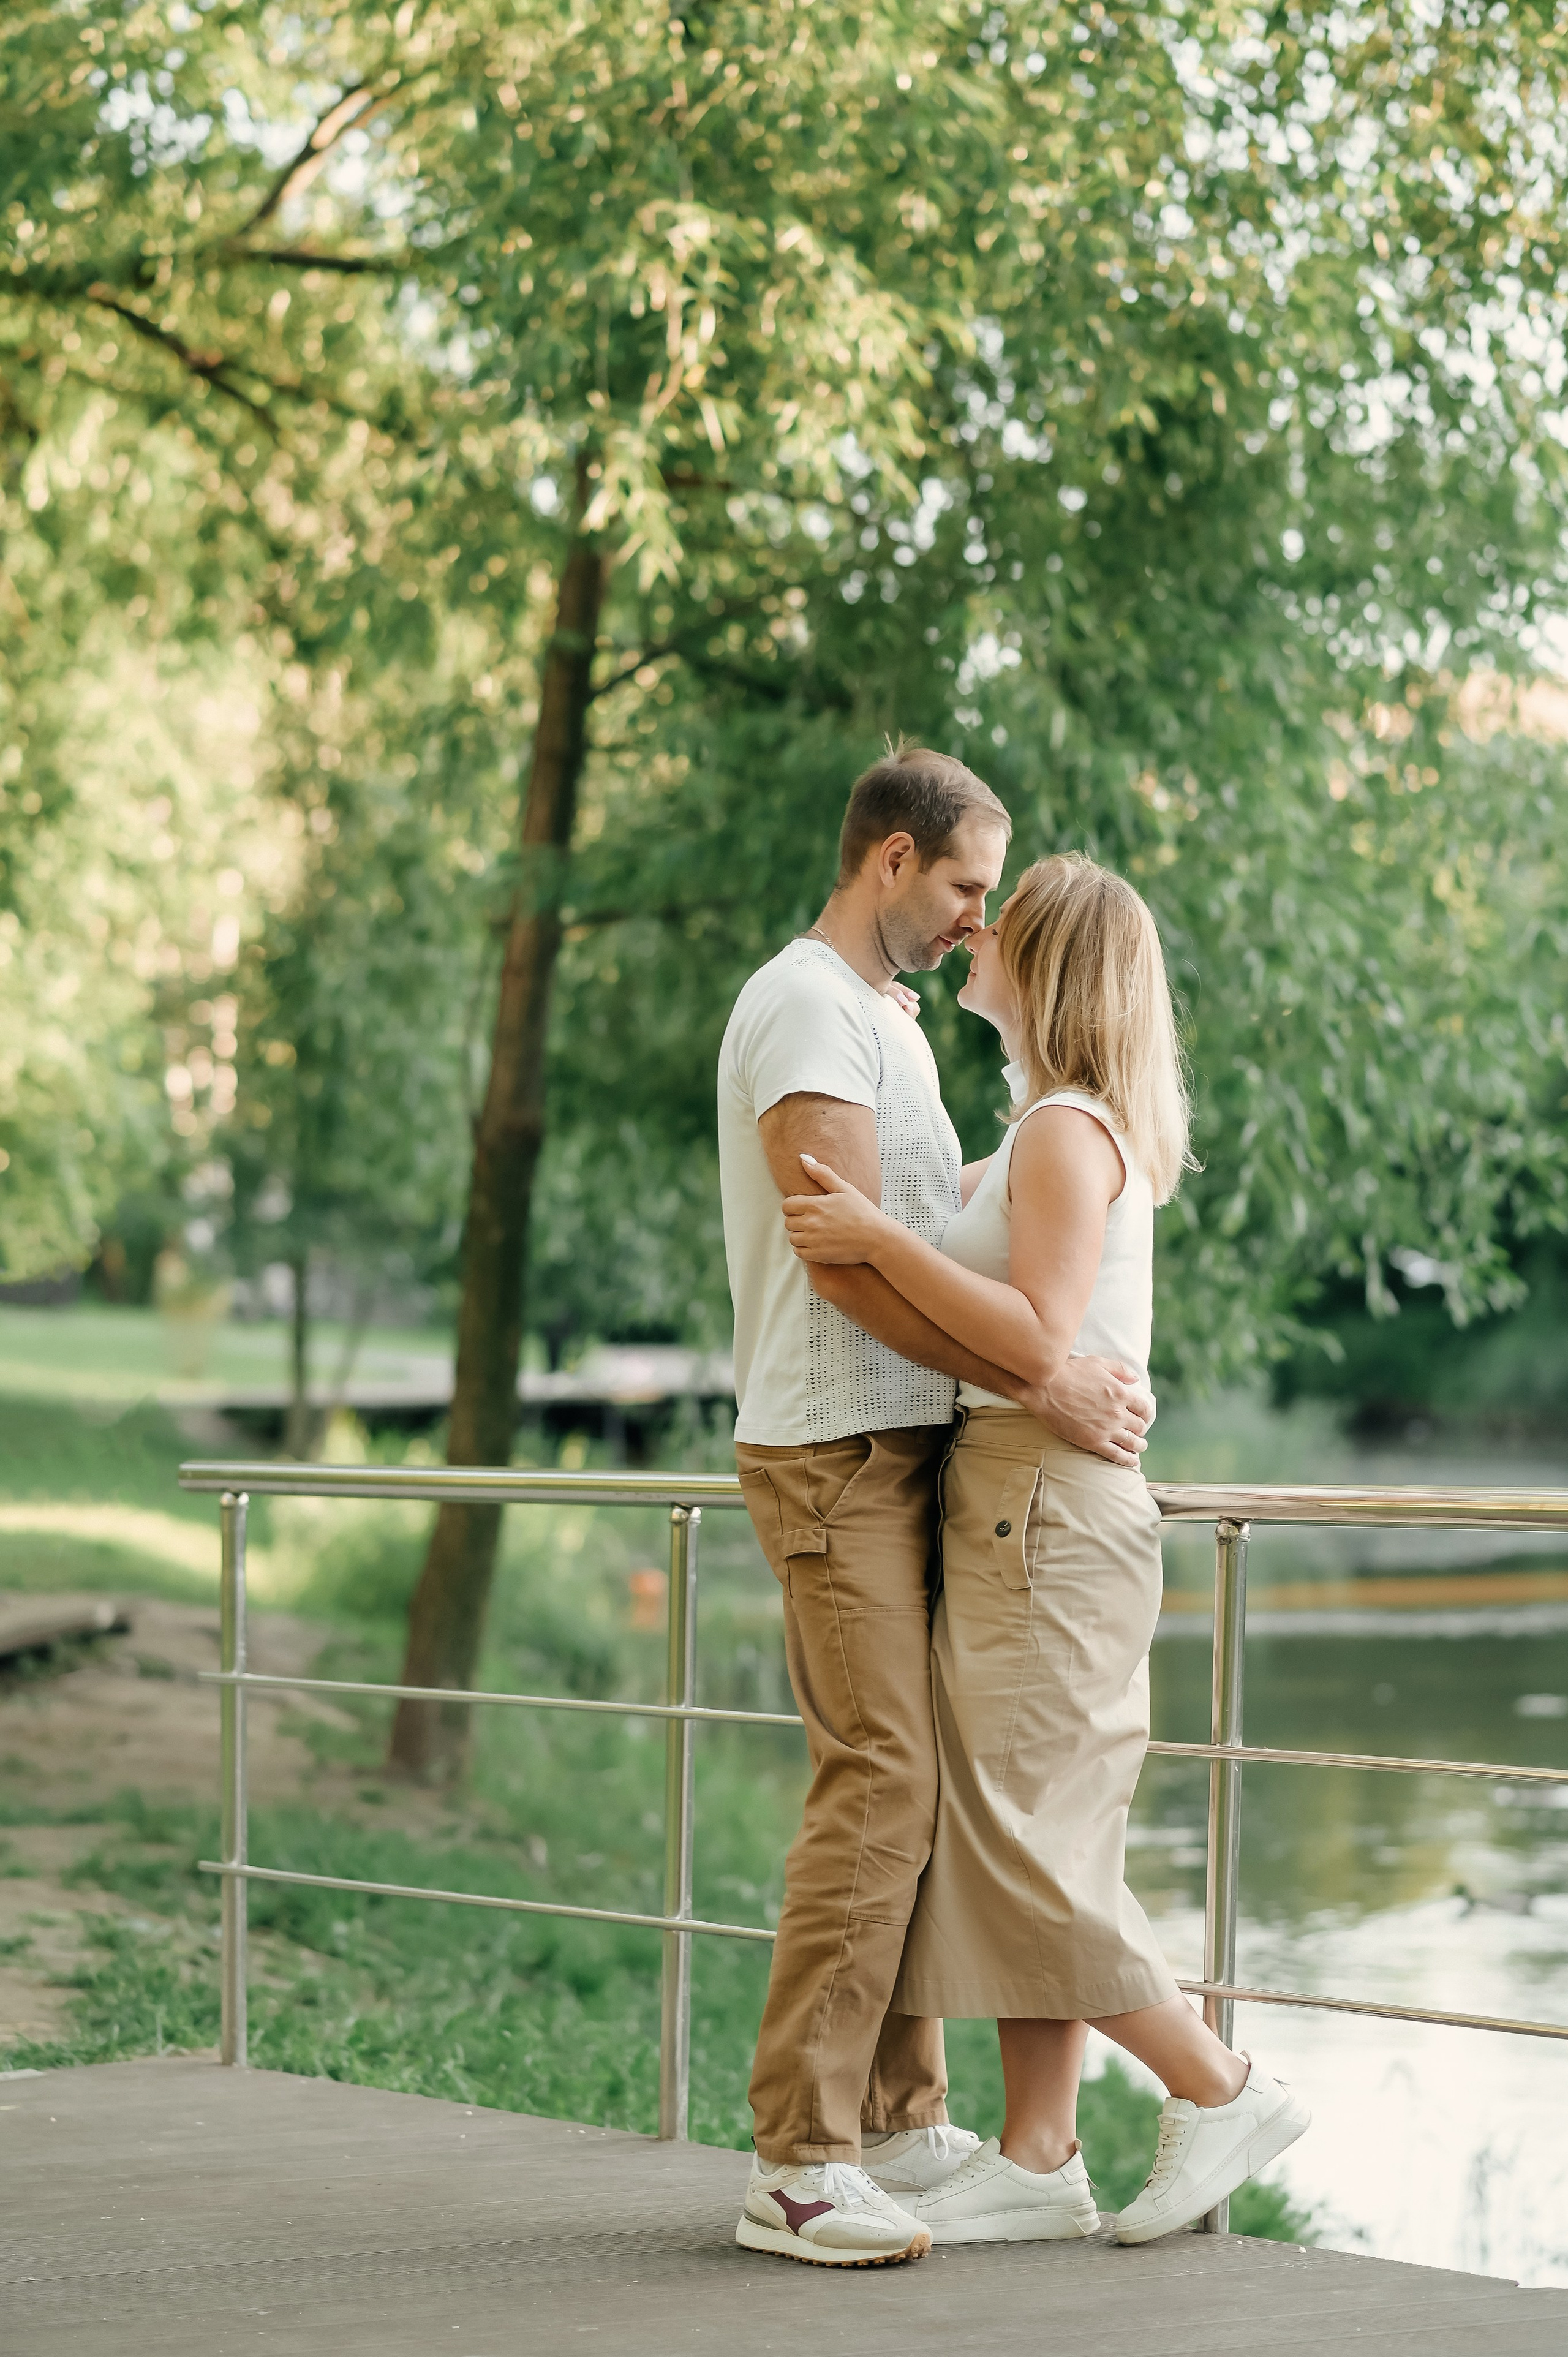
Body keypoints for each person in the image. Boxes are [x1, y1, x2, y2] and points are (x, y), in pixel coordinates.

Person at [782, 851, 1310, 2249]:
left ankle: (1218, 2084)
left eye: (997, 924)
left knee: (1027, 1846)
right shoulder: (1039, 1127)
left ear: (1050, 963)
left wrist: (872, 1242)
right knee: (1031, 1835)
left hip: (1043, 1507)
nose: (973, 931)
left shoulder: (1069, 1131)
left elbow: (1031, 1333)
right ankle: (1034, 2154)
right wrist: (898, 1229)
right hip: (1018, 1496)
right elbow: (1020, 1309)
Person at [720, 749, 1160, 2269]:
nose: (980, 918)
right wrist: (1044, 1374)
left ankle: (902, 2120)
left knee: (923, 1799)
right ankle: (797, 2158)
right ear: (891, 861)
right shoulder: (802, 1005)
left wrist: (1031, 1369)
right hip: (835, 1449)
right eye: (968, 884)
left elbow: (949, 1244)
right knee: (881, 1788)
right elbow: (841, 1265)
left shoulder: (897, 1031)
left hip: (919, 1453)